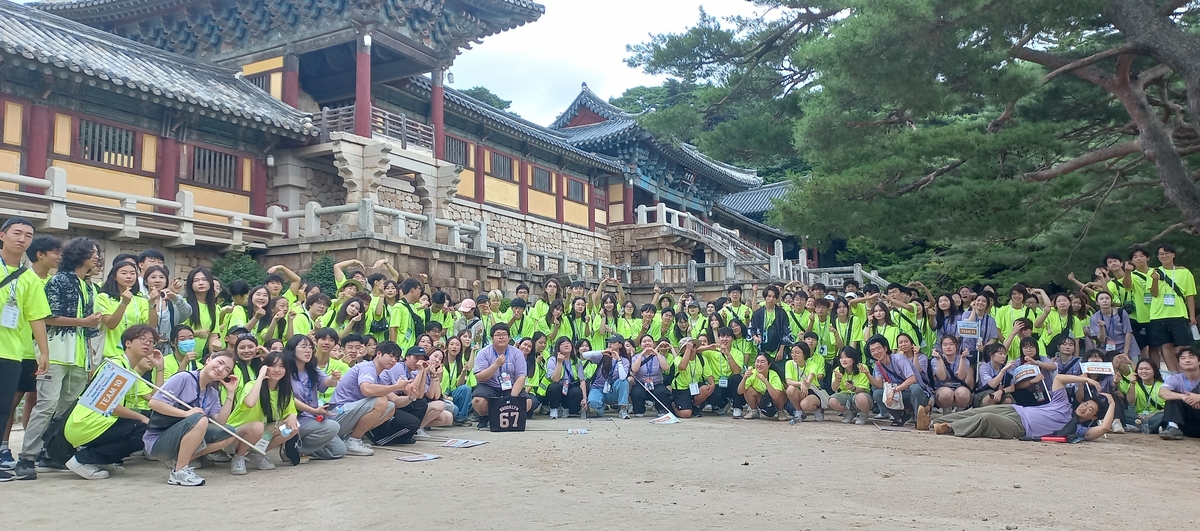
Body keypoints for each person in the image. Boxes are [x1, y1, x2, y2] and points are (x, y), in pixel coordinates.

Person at [60, 325, 162, 480]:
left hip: (98, 424)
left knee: (146, 425)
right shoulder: (116, 365)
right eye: (142, 339)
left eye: (151, 341)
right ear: (128, 343)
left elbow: (155, 400)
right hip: (85, 424)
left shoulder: (130, 371)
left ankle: (101, 460)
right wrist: (141, 418)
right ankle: (83, 460)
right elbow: (108, 405)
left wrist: (160, 369)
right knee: (145, 429)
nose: (147, 344)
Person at [0, 218, 52, 482]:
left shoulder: (29, 277)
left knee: (3, 406)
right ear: (2, 235)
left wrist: (43, 352)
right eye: (16, 233)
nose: (22, 239)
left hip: (11, 351)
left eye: (28, 235)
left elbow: (37, 317)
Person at [143, 350, 239, 487]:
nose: (221, 369)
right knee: (200, 418)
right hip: (159, 442)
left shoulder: (212, 392)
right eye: (220, 362)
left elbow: (220, 422)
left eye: (227, 369)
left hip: (181, 438)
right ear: (209, 359)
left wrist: (231, 393)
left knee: (229, 433)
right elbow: (154, 403)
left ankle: (182, 460)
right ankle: (179, 472)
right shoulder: (184, 377)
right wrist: (185, 414)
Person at [927, 373, 1115, 441]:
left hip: (1020, 428)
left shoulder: (1079, 429)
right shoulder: (1063, 405)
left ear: (1093, 417)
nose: (1083, 407)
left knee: (986, 419)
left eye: (1090, 409)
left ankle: (949, 428)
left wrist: (1113, 403)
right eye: (1085, 403)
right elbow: (1059, 378)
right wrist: (1085, 379)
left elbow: (1105, 427)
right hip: (1016, 410)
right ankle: (931, 421)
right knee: (978, 411)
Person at [327, 341, 407, 455]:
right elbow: (367, 389)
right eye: (390, 355)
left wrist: (412, 397)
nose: (393, 360)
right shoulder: (367, 367)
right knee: (381, 401)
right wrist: (395, 386)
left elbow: (395, 400)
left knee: (390, 407)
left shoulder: (379, 377)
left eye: (396, 358)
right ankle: (354, 440)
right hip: (336, 412)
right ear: (379, 354)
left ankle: (350, 438)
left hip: (347, 414)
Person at [226, 350, 299, 474]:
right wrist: (260, 377)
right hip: (233, 436)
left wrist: (293, 415)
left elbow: (290, 412)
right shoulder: (252, 385)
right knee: (257, 427)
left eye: (282, 366)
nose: (277, 369)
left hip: (257, 434)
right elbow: (249, 403)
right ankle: (238, 457)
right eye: (272, 365)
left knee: (292, 427)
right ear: (264, 367)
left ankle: (256, 454)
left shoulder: (284, 391)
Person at [284, 334, 345, 461]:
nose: (308, 350)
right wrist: (314, 411)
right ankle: (290, 448)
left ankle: (297, 448)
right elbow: (288, 399)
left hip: (313, 416)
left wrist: (333, 379)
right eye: (304, 347)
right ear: (292, 349)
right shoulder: (285, 370)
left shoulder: (311, 368)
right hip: (295, 417)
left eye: (311, 348)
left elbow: (325, 382)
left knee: (339, 450)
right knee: (333, 427)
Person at [470, 323, 533, 429]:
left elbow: (521, 377)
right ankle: (484, 417)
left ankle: (508, 417)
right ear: (492, 338)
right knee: (478, 401)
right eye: (498, 334)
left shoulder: (517, 353)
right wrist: (496, 365)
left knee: (527, 402)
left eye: (504, 334)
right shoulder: (483, 353)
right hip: (489, 385)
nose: (501, 337)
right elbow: (480, 377)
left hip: (510, 386)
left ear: (509, 338)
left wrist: (512, 398)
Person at [1148, 245, 1196, 373]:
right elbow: (1154, 293)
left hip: (1178, 314)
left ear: (1173, 255)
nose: (1164, 256)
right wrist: (1154, 280)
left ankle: (1186, 371)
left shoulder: (1184, 272)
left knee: (1183, 345)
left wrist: (1192, 316)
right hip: (1158, 315)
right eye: (1161, 254)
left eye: (1167, 253)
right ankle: (1174, 373)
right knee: (1165, 345)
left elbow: (1190, 296)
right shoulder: (1153, 272)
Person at [97, 259, 156, 359]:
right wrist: (124, 303)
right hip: (109, 355)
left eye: (132, 273)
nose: (129, 276)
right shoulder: (103, 297)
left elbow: (151, 326)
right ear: (114, 276)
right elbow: (111, 324)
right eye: (124, 273)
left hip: (134, 355)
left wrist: (152, 304)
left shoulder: (141, 300)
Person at [865, 335, 922, 426]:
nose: (876, 352)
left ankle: (918, 418)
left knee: (915, 388)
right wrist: (867, 374)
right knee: (877, 393)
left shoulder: (898, 359)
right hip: (900, 394)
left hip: (915, 393)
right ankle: (901, 416)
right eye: (872, 350)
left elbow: (912, 379)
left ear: (885, 348)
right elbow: (879, 385)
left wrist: (894, 390)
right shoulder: (878, 365)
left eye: (878, 348)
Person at [583, 335, 631, 419]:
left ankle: (623, 409)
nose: (610, 344)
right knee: (593, 402)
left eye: (613, 342)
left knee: (623, 382)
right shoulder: (603, 356)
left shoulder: (624, 360)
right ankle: (600, 407)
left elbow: (623, 377)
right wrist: (601, 352)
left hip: (613, 390)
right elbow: (584, 355)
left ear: (620, 345)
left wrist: (619, 360)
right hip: (598, 388)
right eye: (609, 342)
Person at [1158, 346, 1200, 440]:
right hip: (1190, 424)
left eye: (1191, 357)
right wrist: (1183, 396)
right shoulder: (1176, 378)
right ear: (1180, 363)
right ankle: (1173, 428)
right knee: (1173, 397)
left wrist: (1198, 398)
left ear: (1199, 361)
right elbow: (1162, 392)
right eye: (1183, 358)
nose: (1187, 360)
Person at [784, 342, 827, 423]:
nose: (794, 355)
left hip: (812, 391)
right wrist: (801, 384)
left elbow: (811, 375)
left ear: (804, 354)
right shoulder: (789, 363)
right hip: (799, 389)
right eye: (792, 352)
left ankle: (817, 409)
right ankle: (799, 411)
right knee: (790, 389)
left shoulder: (812, 364)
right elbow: (788, 381)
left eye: (797, 353)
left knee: (805, 405)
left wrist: (807, 382)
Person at [545, 336, 587, 419]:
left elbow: (582, 380)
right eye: (562, 344)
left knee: (577, 391)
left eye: (568, 343)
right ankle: (554, 408)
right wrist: (559, 362)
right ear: (558, 348)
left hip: (569, 386)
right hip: (558, 386)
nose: (566, 345)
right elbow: (555, 379)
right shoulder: (552, 359)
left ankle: (565, 408)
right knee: (554, 387)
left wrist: (584, 398)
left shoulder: (576, 361)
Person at [1087, 290, 1137, 360]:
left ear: (1111, 301)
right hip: (1108, 349)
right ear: (1097, 302)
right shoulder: (1094, 318)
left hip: (1128, 347)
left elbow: (1128, 333)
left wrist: (1125, 353)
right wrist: (1101, 327)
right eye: (1101, 299)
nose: (1104, 301)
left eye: (1107, 298)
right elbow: (1101, 339)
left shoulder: (1121, 313)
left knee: (1132, 368)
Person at [630, 335, 671, 417]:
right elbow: (634, 369)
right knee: (636, 392)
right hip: (641, 383)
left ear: (653, 343)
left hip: (656, 383)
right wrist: (641, 354)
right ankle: (639, 410)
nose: (647, 343)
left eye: (649, 341)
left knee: (662, 392)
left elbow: (666, 368)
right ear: (640, 345)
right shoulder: (636, 357)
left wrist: (656, 353)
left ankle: (660, 409)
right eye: (644, 342)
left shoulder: (660, 356)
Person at [829, 347, 873, 425]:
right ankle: (848, 414)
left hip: (859, 394)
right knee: (832, 400)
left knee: (861, 398)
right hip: (845, 395)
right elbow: (833, 388)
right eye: (841, 358)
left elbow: (863, 388)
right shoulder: (837, 370)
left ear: (853, 359)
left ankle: (863, 415)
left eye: (847, 357)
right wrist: (837, 379)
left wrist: (853, 388)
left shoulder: (862, 368)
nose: (844, 360)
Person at [737, 353, 787, 420]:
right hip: (762, 399)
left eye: (762, 362)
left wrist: (765, 381)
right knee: (748, 390)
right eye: (757, 361)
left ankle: (781, 412)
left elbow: (776, 396)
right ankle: (754, 411)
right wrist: (744, 378)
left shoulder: (773, 375)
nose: (759, 364)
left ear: (769, 365)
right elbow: (740, 391)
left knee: (780, 393)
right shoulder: (752, 373)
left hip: (775, 399)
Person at [184, 267, 221, 356]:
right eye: (196, 280)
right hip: (182, 355)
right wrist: (196, 333)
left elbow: (213, 335)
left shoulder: (214, 308)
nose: (201, 283)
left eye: (204, 279)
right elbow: (177, 331)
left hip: (199, 358)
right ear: (190, 284)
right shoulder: (184, 304)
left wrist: (214, 357)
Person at [931, 335, 974, 413]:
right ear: (941, 347)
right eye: (945, 345)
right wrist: (939, 359)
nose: (948, 347)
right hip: (942, 387)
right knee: (946, 393)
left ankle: (959, 412)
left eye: (951, 344)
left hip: (959, 386)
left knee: (963, 393)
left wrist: (963, 358)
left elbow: (961, 377)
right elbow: (942, 377)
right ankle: (946, 412)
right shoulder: (935, 360)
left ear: (956, 346)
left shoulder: (964, 359)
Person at [441, 335, 476, 426]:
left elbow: (458, 385)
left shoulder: (459, 363)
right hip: (439, 395)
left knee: (466, 388)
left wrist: (463, 372)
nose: (454, 347)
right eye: (451, 344)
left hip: (451, 394)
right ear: (447, 347)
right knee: (455, 409)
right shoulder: (440, 361)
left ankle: (461, 418)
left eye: (457, 345)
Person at [1124, 359, 1165, 434]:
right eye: (1140, 369)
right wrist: (1132, 384)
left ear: (1154, 370)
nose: (1143, 371)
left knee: (1164, 416)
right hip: (1139, 416)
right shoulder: (1135, 384)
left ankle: (1143, 426)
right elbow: (1131, 401)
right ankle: (1149, 426)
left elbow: (1168, 408)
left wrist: (1152, 414)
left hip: (1156, 415)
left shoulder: (1163, 385)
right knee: (1121, 412)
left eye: (1147, 369)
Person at [975, 343, 1016, 407]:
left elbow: (1012, 387)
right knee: (991, 397)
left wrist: (1001, 391)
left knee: (1008, 400)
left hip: (1001, 392)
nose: (1003, 356)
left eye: (1005, 354)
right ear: (991, 354)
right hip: (984, 393)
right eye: (1000, 354)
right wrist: (1003, 371)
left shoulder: (1007, 368)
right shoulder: (984, 367)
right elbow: (992, 385)